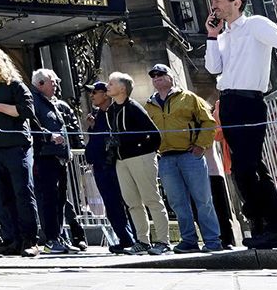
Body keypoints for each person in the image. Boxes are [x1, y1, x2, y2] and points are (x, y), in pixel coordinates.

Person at [204, 0, 277, 249]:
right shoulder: (223, 35)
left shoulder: (256, 25)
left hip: (249, 101)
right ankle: (263, 226)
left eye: (218, 0)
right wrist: (212, 36)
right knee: (244, 168)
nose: (213, 5)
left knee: (247, 166)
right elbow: (213, 67)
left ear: (236, 3)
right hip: (228, 103)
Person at [143, 64, 224, 252]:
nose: (157, 77)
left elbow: (208, 121)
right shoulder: (149, 104)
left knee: (203, 200)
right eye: (154, 75)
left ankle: (213, 240)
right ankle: (189, 240)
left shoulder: (189, 97)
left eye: (161, 74)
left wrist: (200, 145)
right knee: (178, 203)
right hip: (166, 158)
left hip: (190, 156)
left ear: (171, 77)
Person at [0, 46, 41, 257]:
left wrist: (0, 107)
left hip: (15, 147)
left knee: (22, 194)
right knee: (0, 197)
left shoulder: (16, 86)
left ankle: (30, 240)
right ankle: (11, 239)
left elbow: (27, 112)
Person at [105, 73, 170, 254]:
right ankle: (142, 241)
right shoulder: (111, 110)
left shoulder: (134, 107)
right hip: (121, 160)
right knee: (132, 202)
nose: (107, 86)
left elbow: (154, 134)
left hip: (140, 158)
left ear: (122, 88)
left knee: (152, 199)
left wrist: (145, 152)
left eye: (111, 83)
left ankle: (163, 242)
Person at [28, 69, 78, 253]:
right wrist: (49, 137)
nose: (56, 86)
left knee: (60, 200)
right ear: (40, 84)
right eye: (53, 83)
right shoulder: (33, 101)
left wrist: (67, 150)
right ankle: (51, 240)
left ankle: (59, 238)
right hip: (44, 157)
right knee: (48, 200)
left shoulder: (51, 102)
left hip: (59, 158)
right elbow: (32, 127)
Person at [83, 83, 136, 252]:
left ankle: (138, 239)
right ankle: (125, 239)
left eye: (95, 92)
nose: (91, 95)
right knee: (111, 205)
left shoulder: (116, 112)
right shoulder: (97, 116)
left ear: (106, 94)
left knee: (128, 202)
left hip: (116, 163)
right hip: (100, 166)